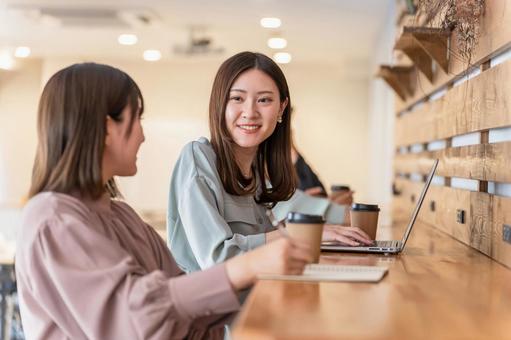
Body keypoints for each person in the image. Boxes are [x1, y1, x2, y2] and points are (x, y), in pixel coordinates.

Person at [15, 62, 313, 340]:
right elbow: (136, 319)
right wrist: (247, 266)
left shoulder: (121, 215)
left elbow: (183, 301)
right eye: (138, 119)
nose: (143, 136)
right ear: (108, 129)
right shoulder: (53, 219)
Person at [167, 52, 372, 273]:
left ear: (281, 109)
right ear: (220, 103)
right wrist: (301, 232)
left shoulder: (255, 172)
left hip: (264, 294)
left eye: (264, 100)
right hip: (218, 306)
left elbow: (266, 244)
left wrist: (311, 233)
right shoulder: (197, 158)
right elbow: (219, 259)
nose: (250, 112)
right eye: (237, 98)